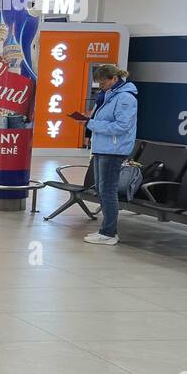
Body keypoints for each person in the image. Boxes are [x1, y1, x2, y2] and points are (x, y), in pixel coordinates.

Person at [73, 64, 138, 246]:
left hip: (114, 150)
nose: (100, 86)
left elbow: (121, 126)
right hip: (102, 147)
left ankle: (109, 233)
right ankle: (106, 230)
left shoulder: (125, 98)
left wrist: (91, 124)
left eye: (103, 82)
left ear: (114, 79)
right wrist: (88, 120)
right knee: (101, 190)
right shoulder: (109, 95)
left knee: (108, 191)